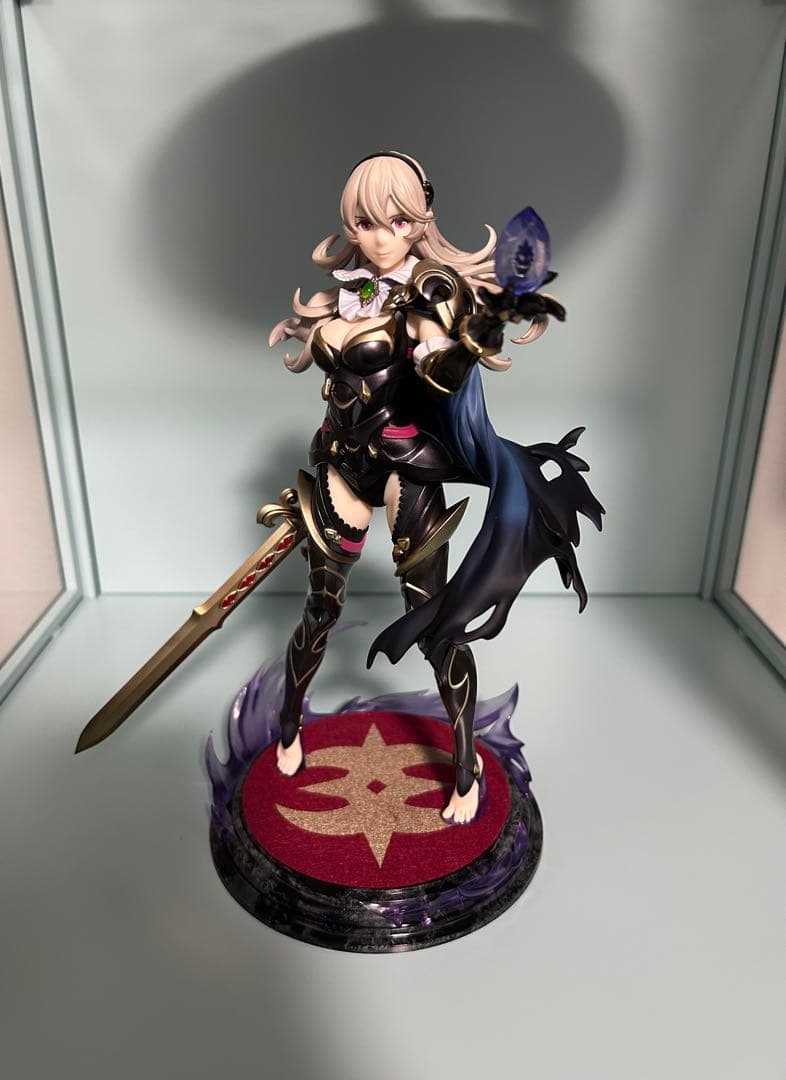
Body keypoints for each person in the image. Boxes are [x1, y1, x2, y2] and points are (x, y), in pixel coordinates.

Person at [269, 151, 603, 823]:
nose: (381, 236)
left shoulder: (427, 293)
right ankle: (289, 724)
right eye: (366, 222)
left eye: (397, 220)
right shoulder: (346, 290)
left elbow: (439, 367)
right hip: (339, 463)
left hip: (404, 469)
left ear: (420, 219)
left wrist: (473, 338)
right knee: (320, 609)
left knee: (437, 628)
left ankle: (464, 763)